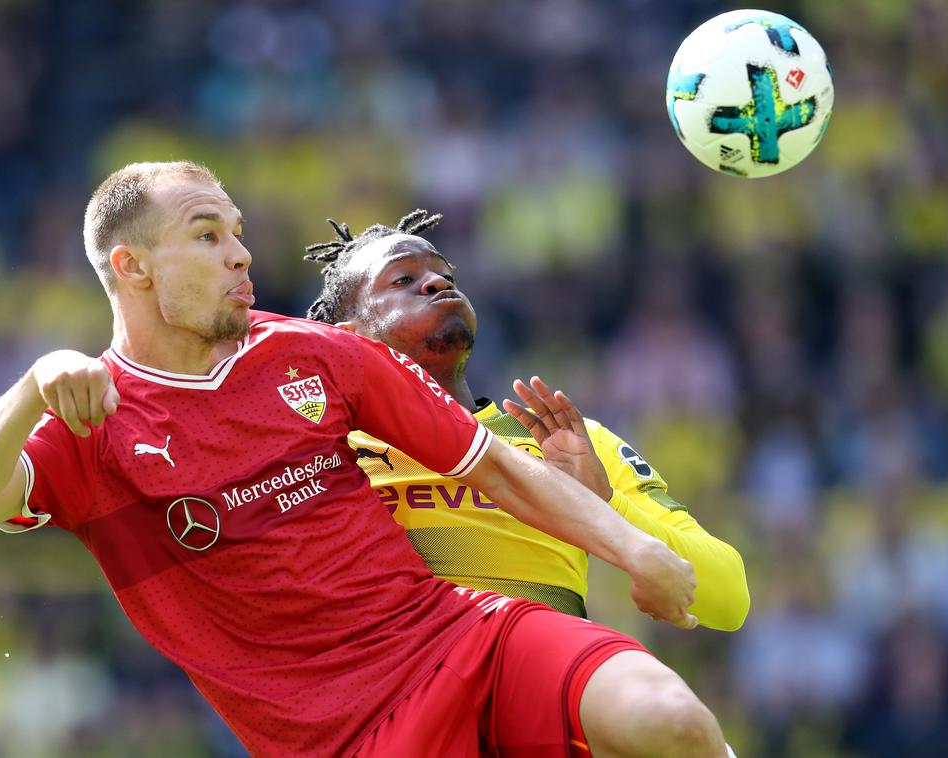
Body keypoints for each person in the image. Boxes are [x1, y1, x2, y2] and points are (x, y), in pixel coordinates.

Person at [0, 161, 727, 757]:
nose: (240, 255)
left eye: (238, 232)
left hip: (457, 640)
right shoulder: (90, 422)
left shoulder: (315, 355)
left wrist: (637, 548)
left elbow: (493, 465)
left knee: (671, 720)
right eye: (207, 235)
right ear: (132, 268)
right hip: (337, 743)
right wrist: (35, 385)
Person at [303, 211, 749, 629]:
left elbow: (730, 599)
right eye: (404, 279)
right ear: (349, 337)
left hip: (545, 695)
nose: (438, 281)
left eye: (446, 274)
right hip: (407, 694)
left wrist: (605, 500)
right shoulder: (331, 455)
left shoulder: (570, 444)